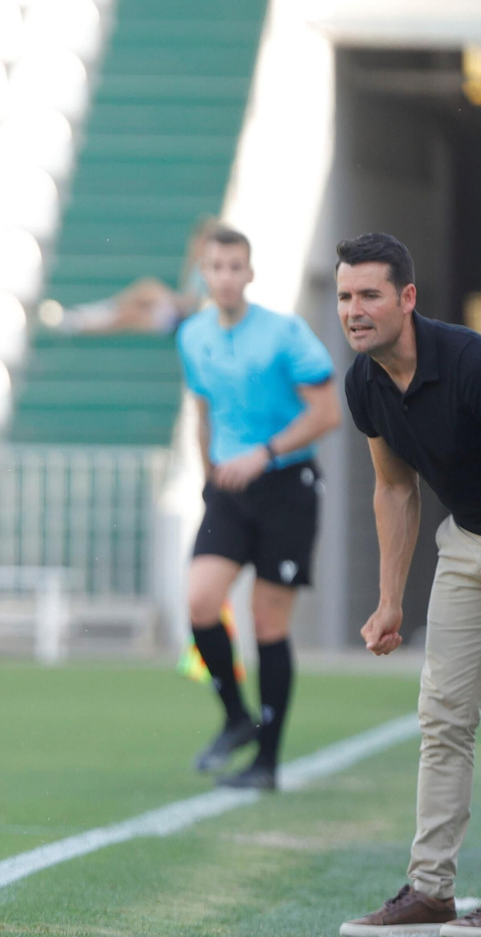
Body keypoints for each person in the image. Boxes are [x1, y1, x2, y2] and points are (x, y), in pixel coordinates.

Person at [334, 233, 481, 937]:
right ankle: (430, 891)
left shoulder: (471, 363)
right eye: (344, 296)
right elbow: (394, 488)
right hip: (468, 546)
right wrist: (390, 600)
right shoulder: (364, 383)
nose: (353, 310)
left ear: (408, 299)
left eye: (369, 295)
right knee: (443, 715)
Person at [177, 226, 340, 790]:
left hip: (286, 486)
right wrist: (209, 476)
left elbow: (326, 413)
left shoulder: (284, 333)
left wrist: (264, 454)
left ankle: (266, 762)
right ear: (203, 273)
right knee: (200, 601)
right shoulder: (193, 335)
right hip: (228, 488)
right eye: (215, 267)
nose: (225, 277)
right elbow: (203, 412)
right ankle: (235, 719)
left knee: (268, 621)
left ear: (249, 274)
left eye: (234, 267)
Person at [40, 218, 217, 336]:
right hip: (179, 316)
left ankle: (80, 320)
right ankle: (81, 320)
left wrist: (168, 296)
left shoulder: (212, 267)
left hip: (184, 321)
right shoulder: (198, 265)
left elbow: (191, 303)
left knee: (134, 306)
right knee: (129, 310)